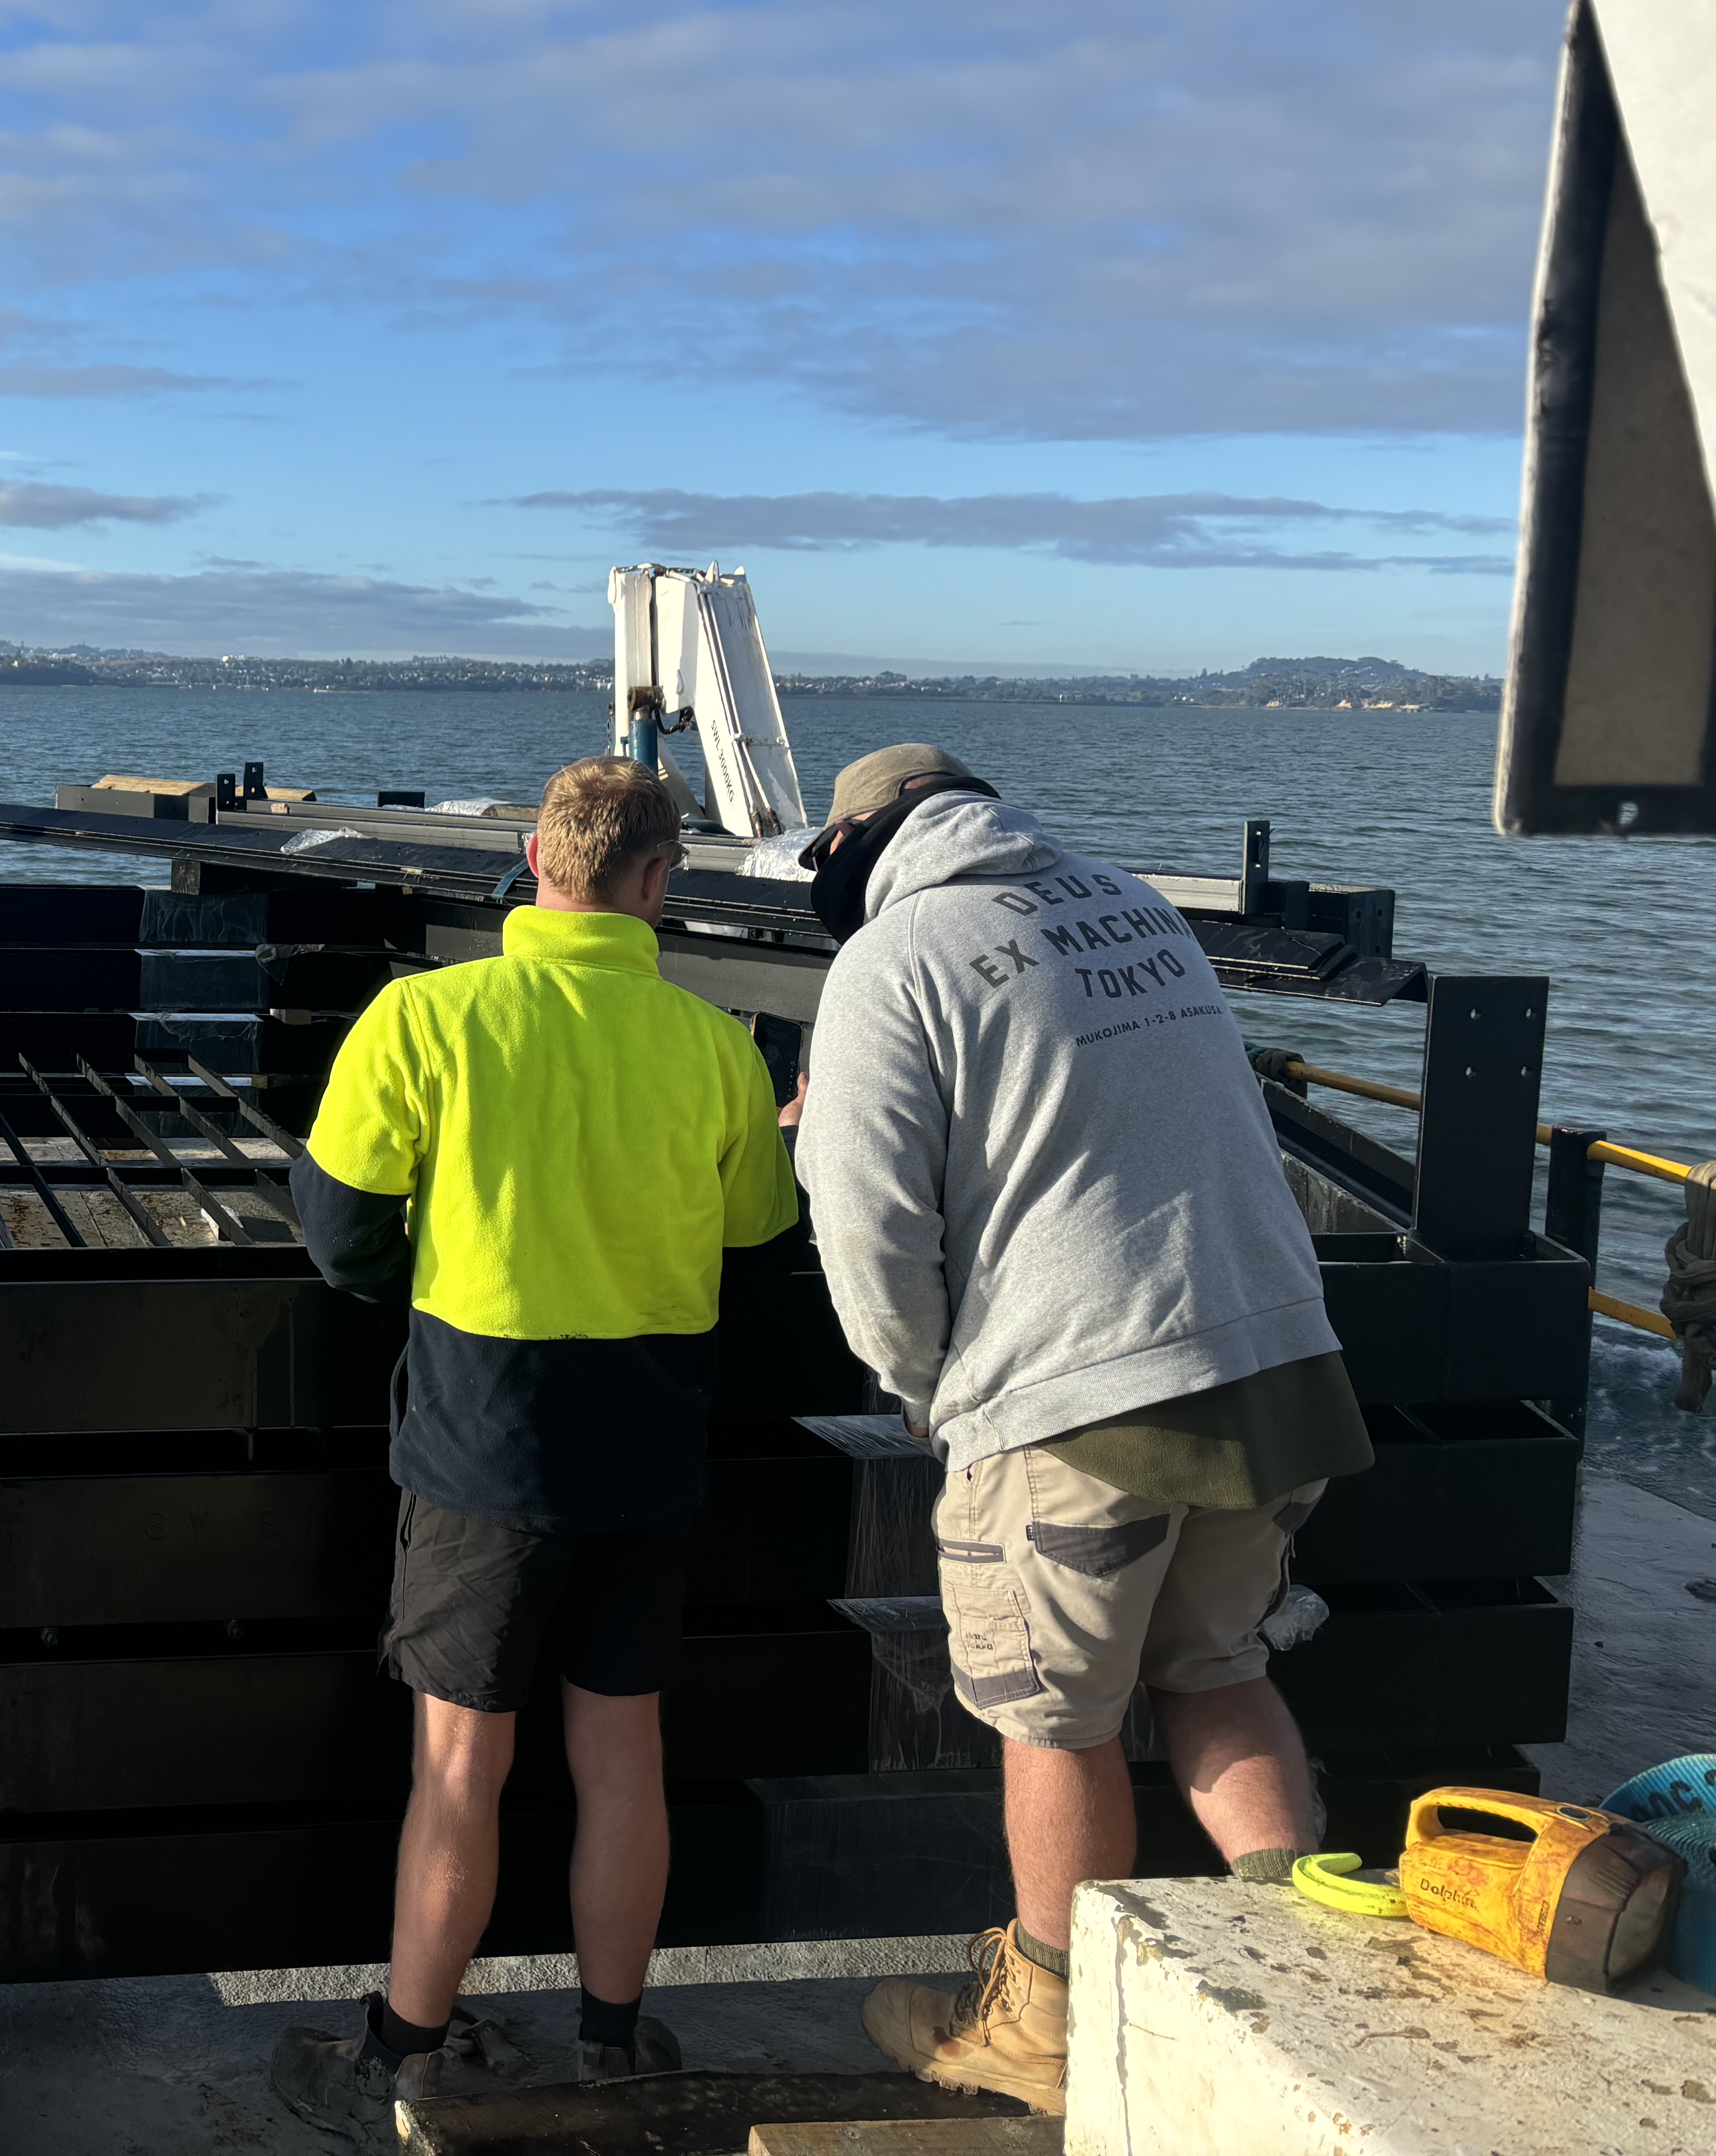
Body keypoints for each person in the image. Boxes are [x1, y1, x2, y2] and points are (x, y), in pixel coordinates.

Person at [792, 744, 1372, 2117]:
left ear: (859, 848)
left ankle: (1046, 2023)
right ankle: (1304, 2013)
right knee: (1218, 1666)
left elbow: (871, 1225)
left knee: (1056, 1716)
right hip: (1274, 1353)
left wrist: (928, 1392)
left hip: (1077, 1390)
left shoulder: (894, 959)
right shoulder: (1137, 907)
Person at [268, 756, 802, 2136]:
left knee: (461, 1763)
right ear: (656, 880)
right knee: (624, 1751)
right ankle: (616, 2040)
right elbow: (758, 1239)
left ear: (534, 864)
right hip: (651, 1431)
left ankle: (406, 2047)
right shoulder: (717, 1044)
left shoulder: (425, 1018)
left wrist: (432, 1263)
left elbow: (339, 1236)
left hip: (484, 1438)